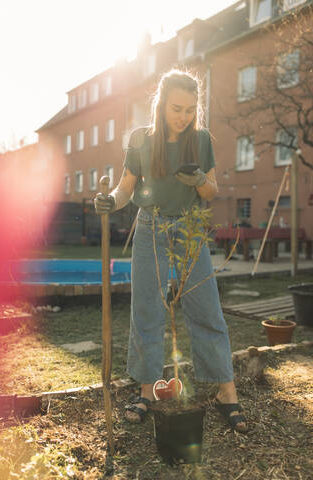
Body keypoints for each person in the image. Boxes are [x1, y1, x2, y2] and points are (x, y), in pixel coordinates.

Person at [94, 69, 248, 433]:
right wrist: (108, 201)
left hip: (190, 230)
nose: (184, 116)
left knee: (207, 310)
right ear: (161, 104)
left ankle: (227, 392)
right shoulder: (140, 140)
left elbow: (211, 191)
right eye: (177, 108)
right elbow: (125, 189)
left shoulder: (201, 140)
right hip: (151, 228)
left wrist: (198, 181)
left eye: (190, 110)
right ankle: (147, 392)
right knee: (146, 312)